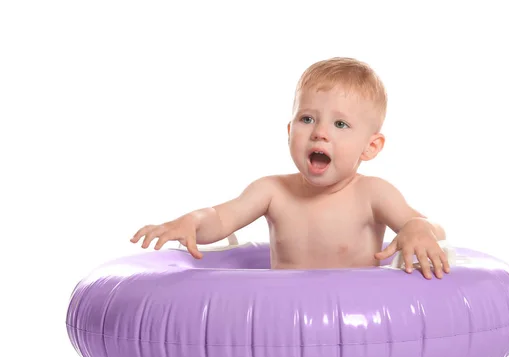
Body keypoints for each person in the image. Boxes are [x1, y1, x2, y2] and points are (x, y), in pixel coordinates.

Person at [130, 57, 450, 279]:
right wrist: (192, 221)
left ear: (371, 146)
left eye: (340, 124)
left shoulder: (373, 194)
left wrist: (417, 228)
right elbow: (222, 218)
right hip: (285, 321)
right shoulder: (272, 191)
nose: (319, 132)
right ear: (289, 130)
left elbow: (429, 227)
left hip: (353, 322)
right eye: (307, 118)